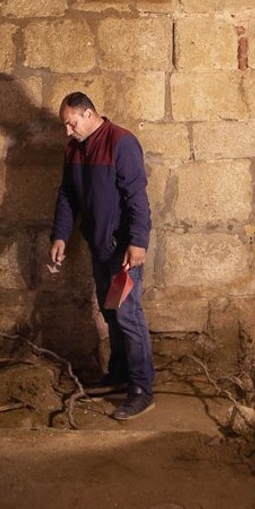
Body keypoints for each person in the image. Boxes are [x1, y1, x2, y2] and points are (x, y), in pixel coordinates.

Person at [48, 92, 155, 420]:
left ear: (89, 113)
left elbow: (137, 197)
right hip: (98, 246)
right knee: (111, 314)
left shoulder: (121, 143)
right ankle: (120, 374)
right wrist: (60, 236)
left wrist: (138, 242)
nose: (68, 131)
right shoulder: (74, 149)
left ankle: (141, 389)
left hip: (123, 251)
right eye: (66, 125)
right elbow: (68, 196)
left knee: (128, 315)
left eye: (71, 123)